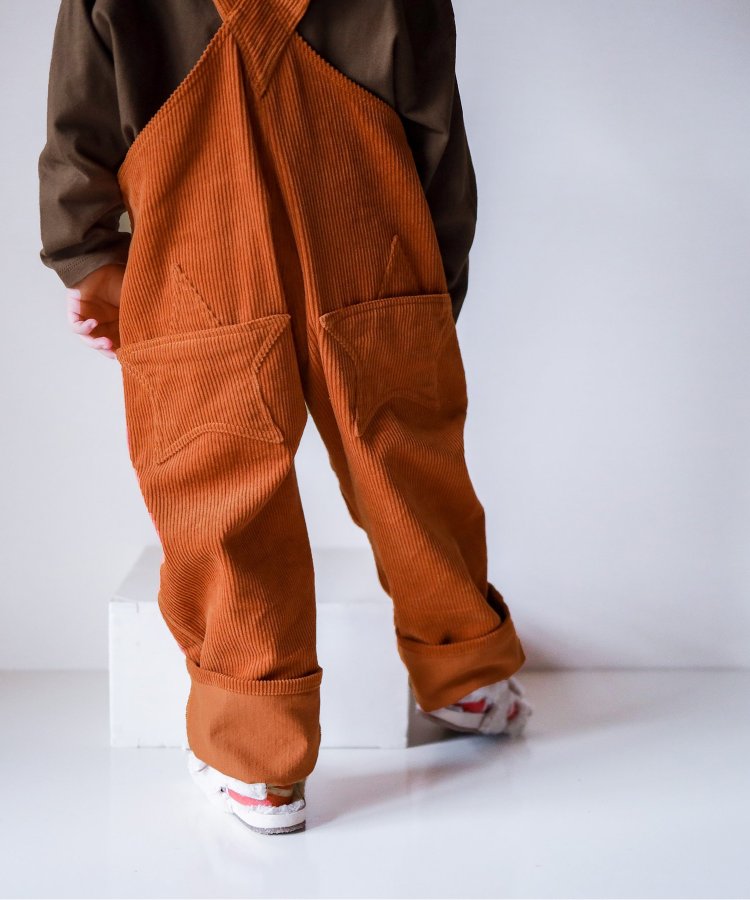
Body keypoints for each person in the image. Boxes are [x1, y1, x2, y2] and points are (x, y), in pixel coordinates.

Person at [38, 0, 533, 836]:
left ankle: (257, 760)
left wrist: (90, 259)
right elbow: (437, 136)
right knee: (408, 463)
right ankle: (467, 675)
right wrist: (433, 286)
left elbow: (77, 128)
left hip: (196, 246)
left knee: (218, 484)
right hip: (372, 232)